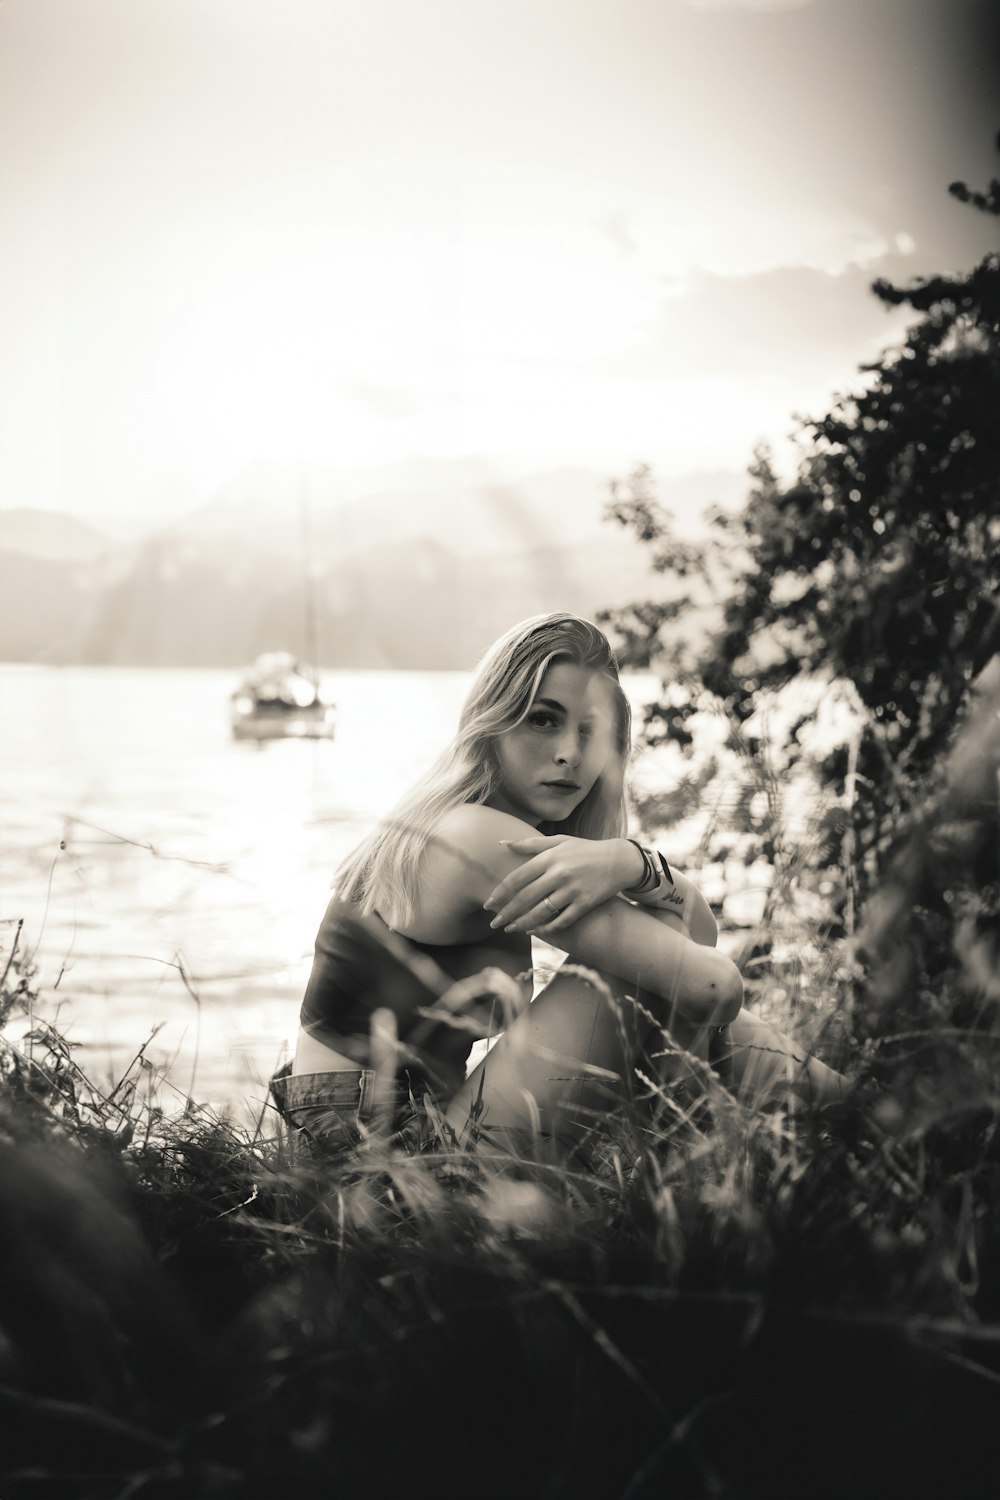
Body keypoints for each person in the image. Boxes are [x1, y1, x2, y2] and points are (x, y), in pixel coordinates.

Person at [271, 613, 844, 1162]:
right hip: (393, 1172)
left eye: (591, 731)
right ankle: (853, 1121)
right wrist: (635, 867)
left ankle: (853, 1120)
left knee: (661, 971)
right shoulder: (476, 837)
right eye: (544, 718)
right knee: (651, 974)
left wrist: (631, 865)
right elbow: (714, 983)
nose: (571, 752)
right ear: (492, 721)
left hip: (398, 1148)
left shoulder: (465, 823)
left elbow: (699, 945)